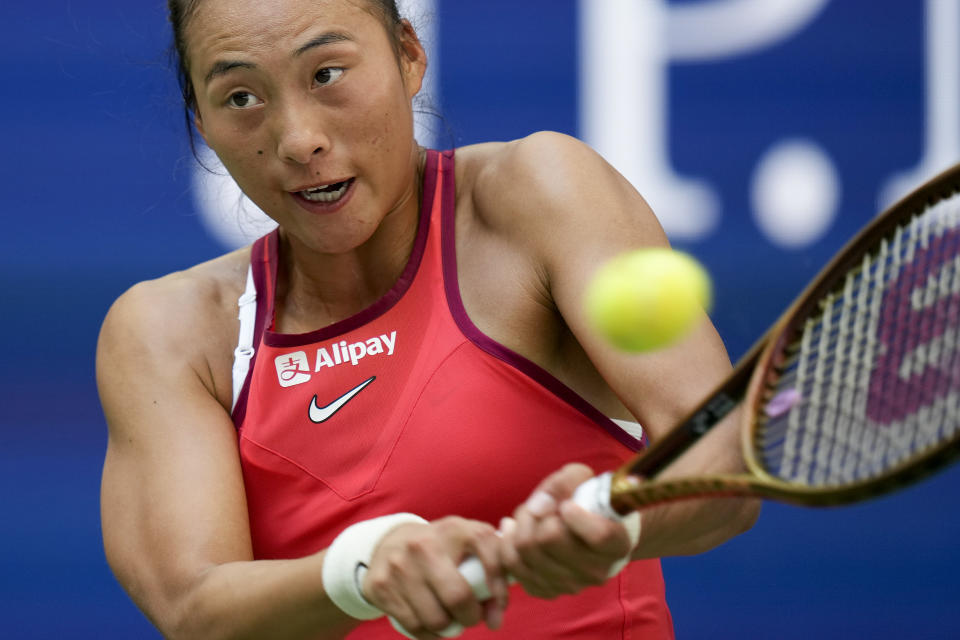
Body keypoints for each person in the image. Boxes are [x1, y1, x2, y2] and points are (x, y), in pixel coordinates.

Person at [96, 0, 760, 638]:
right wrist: (363, 566)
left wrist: (615, 518)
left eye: (327, 74)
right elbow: (195, 607)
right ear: (202, 122)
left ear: (410, 57)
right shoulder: (171, 332)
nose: (299, 139)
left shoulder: (541, 195)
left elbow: (721, 464)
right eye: (241, 97)